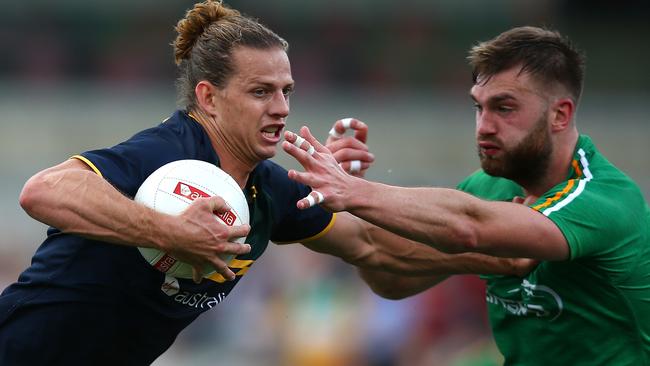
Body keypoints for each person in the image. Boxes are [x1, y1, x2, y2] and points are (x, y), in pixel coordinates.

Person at [0, 2, 536, 364]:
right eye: (261, 92)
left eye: (287, 91)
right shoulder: (170, 152)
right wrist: (169, 230)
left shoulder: (272, 190)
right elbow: (44, 191)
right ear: (208, 98)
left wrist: (500, 250)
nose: (280, 108)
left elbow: (376, 251)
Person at [282, 26, 650, 364]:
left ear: (560, 115)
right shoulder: (488, 188)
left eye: (505, 108)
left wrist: (351, 190)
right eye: (479, 106)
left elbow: (468, 227)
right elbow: (390, 280)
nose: (485, 126)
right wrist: (476, 257)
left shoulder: (605, 199)